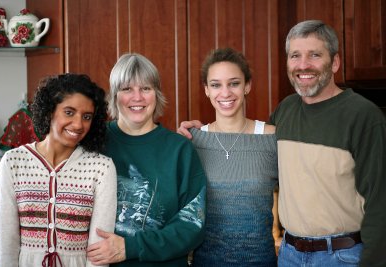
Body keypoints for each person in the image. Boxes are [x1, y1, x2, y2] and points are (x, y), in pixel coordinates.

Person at [178, 20, 386, 267]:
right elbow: (248, 152)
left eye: (315, 55)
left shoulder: (364, 116)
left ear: (335, 62)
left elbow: (380, 203)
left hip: (341, 255)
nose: (303, 64)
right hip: (290, 254)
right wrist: (194, 135)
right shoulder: (285, 113)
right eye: (295, 55)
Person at [86, 53, 207, 267]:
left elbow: (192, 225)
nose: (137, 97)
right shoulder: (92, 143)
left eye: (146, 88)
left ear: (157, 94)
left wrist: (130, 247)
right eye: (127, 89)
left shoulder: (180, 150)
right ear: (114, 96)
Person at [0, 73, 118, 267]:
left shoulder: (101, 167)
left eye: (86, 117)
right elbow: (7, 244)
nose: (78, 124)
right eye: (69, 112)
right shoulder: (13, 162)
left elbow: (98, 251)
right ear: (50, 111)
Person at [186, 47, 278, 266]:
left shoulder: (272, 138)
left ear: (247, 86)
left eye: (234, 83)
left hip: (261, 261)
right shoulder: (193, 141)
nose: (225, 93)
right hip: (205, 261)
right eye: (216, 85)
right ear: (206, 90)